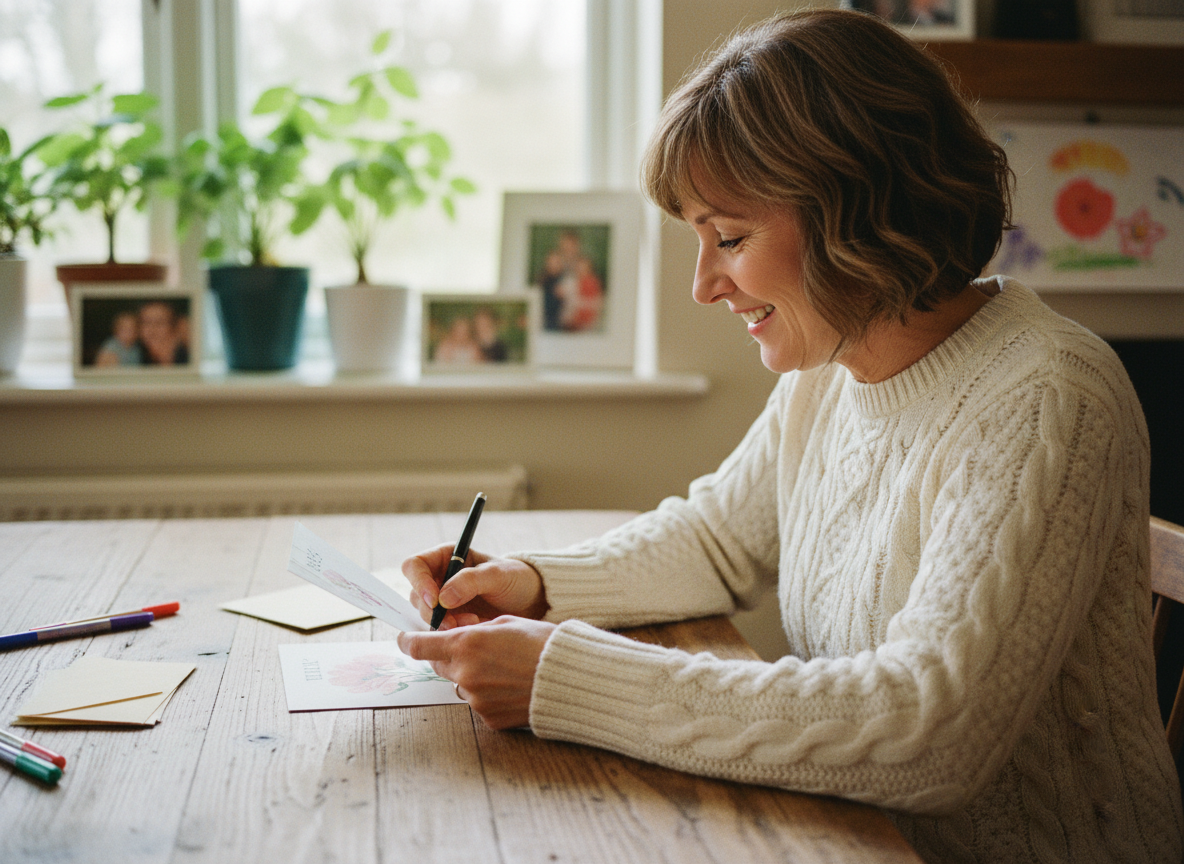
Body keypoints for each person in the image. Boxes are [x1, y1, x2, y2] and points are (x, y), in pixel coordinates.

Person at [397, 10, 1183, 863]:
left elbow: (929, 728)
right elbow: (717, 541)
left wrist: (566, 677)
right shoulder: (833, 362)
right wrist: (534, 582)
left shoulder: (1044, 397)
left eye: (728, 237)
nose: (704, 285)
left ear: (859, 206)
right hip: (848, 833)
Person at [137, 301, 188, 366]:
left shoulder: (188, 357)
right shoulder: (136, 359)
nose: (152, 328)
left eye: (160, 322)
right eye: (147, 322)